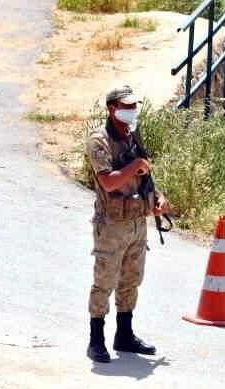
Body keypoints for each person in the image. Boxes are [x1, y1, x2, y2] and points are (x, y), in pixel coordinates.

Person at [85, 85, 169, 363]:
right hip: (112, 225)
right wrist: (136, 166)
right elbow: (108, 182)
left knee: (131, 280)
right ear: (112, 108)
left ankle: (125, 334)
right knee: (104, 281)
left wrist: (157, 197)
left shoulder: (132, 135)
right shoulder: (100, 141)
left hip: (136, 221)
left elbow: (144, 175)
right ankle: (96, 340)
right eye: (127, 106)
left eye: (135, 106)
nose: (133, 111)